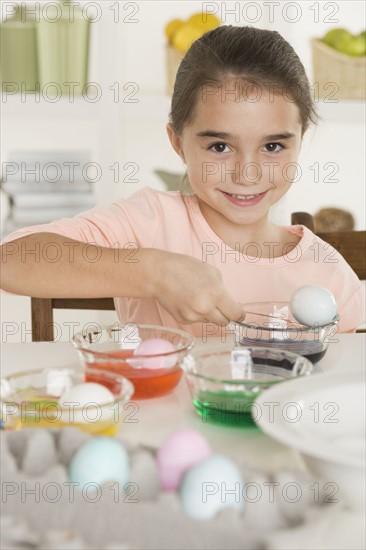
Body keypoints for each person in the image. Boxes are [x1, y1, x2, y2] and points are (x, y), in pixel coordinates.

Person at [1, 26, 364, 335]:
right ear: (178, 142)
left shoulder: (327, 271)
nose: (246, 173)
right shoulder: (149, 223)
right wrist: (153, 271)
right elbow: (10, 261)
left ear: (301, 138)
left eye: (273, 146)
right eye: (220, 146)